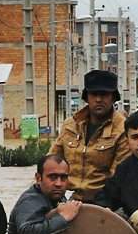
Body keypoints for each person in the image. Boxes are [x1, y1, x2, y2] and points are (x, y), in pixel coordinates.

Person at [51, 68, 127, 201]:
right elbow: (51, 161)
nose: (98, 99)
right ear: (87, 97)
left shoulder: (122, 128)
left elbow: (118, 175)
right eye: (93, 94)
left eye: (104, 94)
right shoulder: (70, 125)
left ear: (113, 97)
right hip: (66, 196)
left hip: (103, 200)